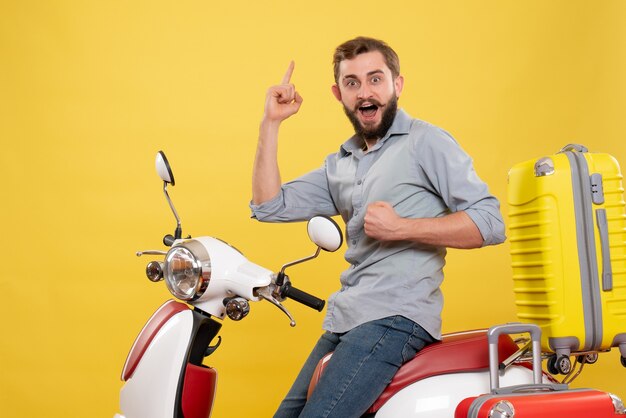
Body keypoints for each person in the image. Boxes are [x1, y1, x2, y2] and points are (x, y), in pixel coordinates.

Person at [250, 36, 505, 418]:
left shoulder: (426, 142)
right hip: (346, 317)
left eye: (375, 79)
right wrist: (271, 123)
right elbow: (269, 206)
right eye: (352, 83)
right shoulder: (341, 163)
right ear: (338, 94)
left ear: (397, 84)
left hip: (395, 317)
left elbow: (490, 222)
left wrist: (402, 227)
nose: (365, 92)